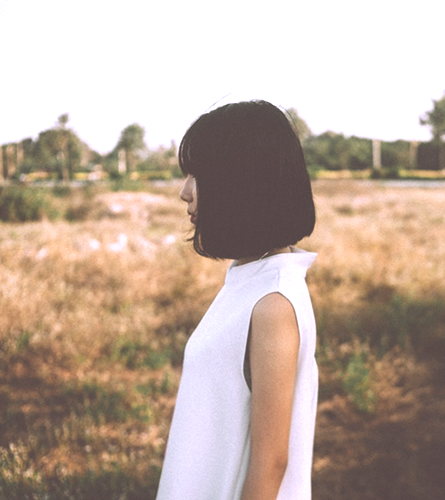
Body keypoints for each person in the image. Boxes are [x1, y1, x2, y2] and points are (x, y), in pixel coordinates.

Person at [155, 100, 318, 500]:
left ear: (242, 181)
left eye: (198, 175)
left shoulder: (274, 303)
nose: (184, 192)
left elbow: (271, 463)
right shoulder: (249, 280)